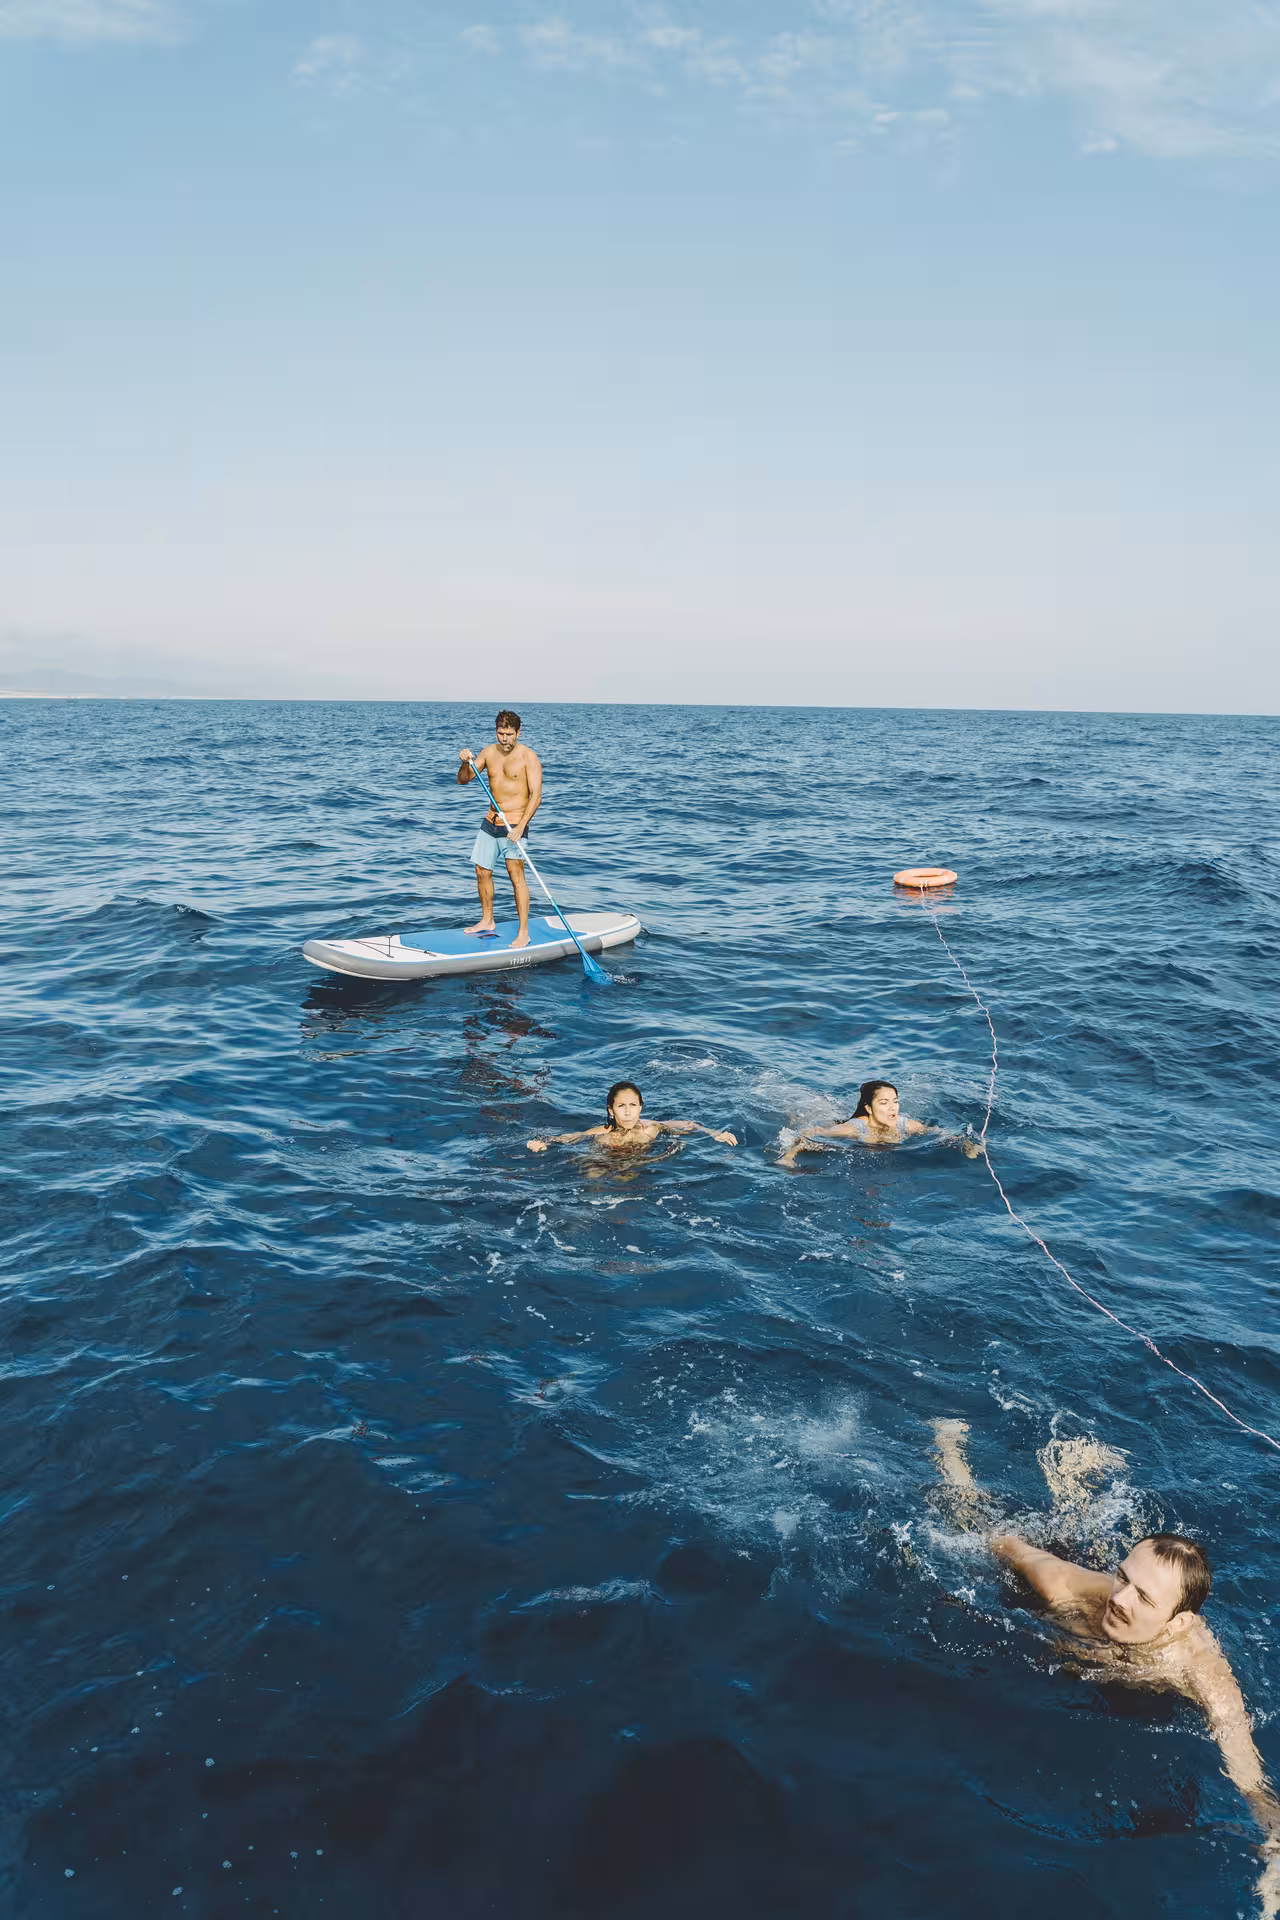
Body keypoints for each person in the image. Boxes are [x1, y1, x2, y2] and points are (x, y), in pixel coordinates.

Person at [931, 1418, 1280, 1912]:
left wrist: (1275, 1843)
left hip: (1129, 1674)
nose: (1121, 1600)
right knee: (988, 1529)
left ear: (1179, 1623)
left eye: (1144, 1597)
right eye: (1123, 1579)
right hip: (1059, 1607)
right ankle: (952, 1444)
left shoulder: (1196, 1666)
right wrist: (954, 1476)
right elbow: (1001, 1540)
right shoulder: (1067, 1588)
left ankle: (1075, 1486)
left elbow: (1244, 1763)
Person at [457, 710, 543, 950]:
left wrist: (521, 827)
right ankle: (487, 920)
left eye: (509, 734)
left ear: (518, 732)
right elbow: (463, 780)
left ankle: (523, 932)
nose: (504, 739)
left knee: (516, 876)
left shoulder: (529, 757)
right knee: (482, 871)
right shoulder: (488, 753)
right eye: (500, 733)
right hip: (491, 821)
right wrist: (465, 763)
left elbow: (536, 797)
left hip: (516, 823)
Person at [779, 1080, 980, 1166]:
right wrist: (788, 1157)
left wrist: (968, 1143)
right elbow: (810, 1132)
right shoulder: (854, 1129)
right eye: (884, 1103)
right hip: (829, 1121)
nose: (892, 1108)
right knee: (804, 1115)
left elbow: (939, 1132)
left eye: (895, 1102)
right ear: (868, 1108)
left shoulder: (905, 1125)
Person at [527, 1081, 738, 1155]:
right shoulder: (602, 1133)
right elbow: (571, 1137)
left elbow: (689, 1124)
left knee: (677, 1145)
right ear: (611, 1110)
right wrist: (542, 1142)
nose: (627, 1112)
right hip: (608, 1160)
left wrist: (714, 1134)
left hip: (641, 1162)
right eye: (621, 1106)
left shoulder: (652, 1127)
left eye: (632, 1105)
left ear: (640, 1108)